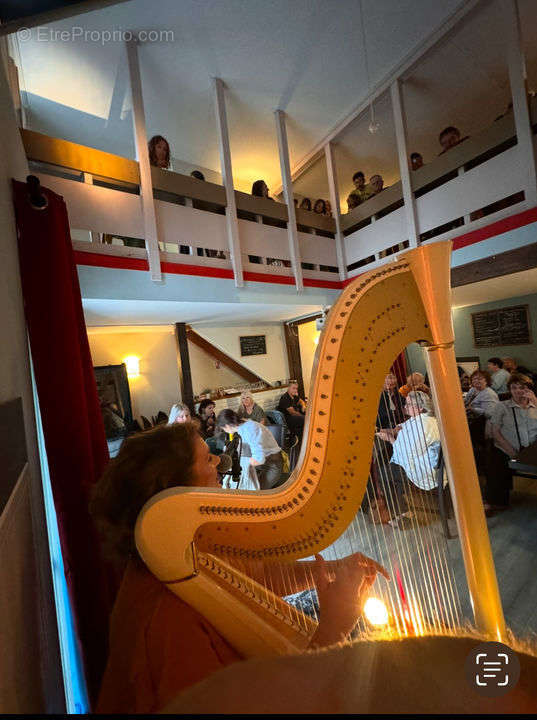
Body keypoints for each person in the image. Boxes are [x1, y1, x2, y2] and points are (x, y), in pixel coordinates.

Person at [92, 423, 389, 713]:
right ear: (174, 494)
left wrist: (332, 571)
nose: (221, 461)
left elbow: (258, 577)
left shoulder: (183, 550)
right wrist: (334, 628)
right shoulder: (167, 617)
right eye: (208, 458)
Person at [376, 390, 443, 527]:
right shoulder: (418, 418)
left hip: (425, 468)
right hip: (416, 460)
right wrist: (380, 430)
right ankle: (398, 506)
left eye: (408, 404)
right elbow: (399, 429)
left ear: (419, 407)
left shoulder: (425, 424)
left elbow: (409, 453)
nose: (405, 407)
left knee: (384, 473)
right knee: (385, 465)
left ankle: (403, 513)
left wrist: (389, 439)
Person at [484, 374, 537, 514]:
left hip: (532, 449)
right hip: (507, 446)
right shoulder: (502, 406)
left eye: (522, 388)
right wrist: (512, 452)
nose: (518, 391)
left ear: (529, 389)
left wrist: (536, 402)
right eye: (514, 388)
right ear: (510, 390)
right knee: (495, 463)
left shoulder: (535, 405)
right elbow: (495, 432)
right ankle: (496, 501)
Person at [217, 409, 283, 489]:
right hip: (260, 466)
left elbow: (259, 459)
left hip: (272, 465)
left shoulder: (250, 428)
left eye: (223, 429)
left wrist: (243, 464)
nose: (225, 431)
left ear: (227, 426)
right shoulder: (240, 428)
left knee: (254, 492)